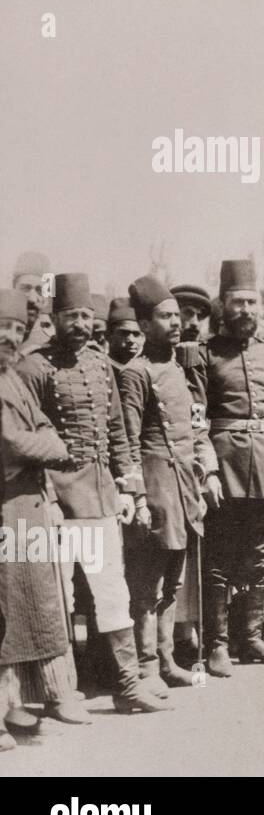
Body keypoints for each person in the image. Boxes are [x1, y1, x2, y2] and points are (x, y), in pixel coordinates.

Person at [16, 274, 168, 714]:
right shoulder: (33, 367)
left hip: (98, 495)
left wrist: (129, 486)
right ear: (54, 317)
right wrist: (43, 490)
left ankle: (127, 685)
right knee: (56, 594)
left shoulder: (101, 364)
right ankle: (57, 693)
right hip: (52, 497)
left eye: (85, 316)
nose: (80, 324)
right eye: (70, 316)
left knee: (111, 591)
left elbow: (118, 432)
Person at [191, 259, 264, 675]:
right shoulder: (204, 355)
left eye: (252, 302)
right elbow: (197, 419)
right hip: (226, 467)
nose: (246, 311)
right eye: (237, 303)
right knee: (219, 557)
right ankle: (217, 644)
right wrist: (209, 470)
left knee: (260, 554)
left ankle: (251, 637)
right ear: (222, 305)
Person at [118, 276, 217, 692]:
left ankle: (165, 660)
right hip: (156, 489)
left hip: (184, 489)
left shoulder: (180, 369)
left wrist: (207, 472)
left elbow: (196, 431)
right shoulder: (135, 374)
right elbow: (126, 441)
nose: (175, 323)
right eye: (165, 316)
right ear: (143, 324)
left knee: (173, 580)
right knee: (147, 583)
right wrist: (138, 497)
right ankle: (144, 668)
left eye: (177, 316)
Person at [0, 288, 86, 741]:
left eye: (16, 329)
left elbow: (44, 424)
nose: (9, 337)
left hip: (26, 506)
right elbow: (13, 441)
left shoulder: (13, 377)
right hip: (6, 508)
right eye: (2, 328)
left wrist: (48, 444)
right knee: (6, 614)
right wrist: (53, 450)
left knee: (34, 609)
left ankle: (20, 706)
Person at [106, 297, 143, 369]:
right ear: (108, 335)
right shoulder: (100, 368)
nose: (131, 340)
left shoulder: (141, 371)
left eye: (136, 334)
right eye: (124, 333)